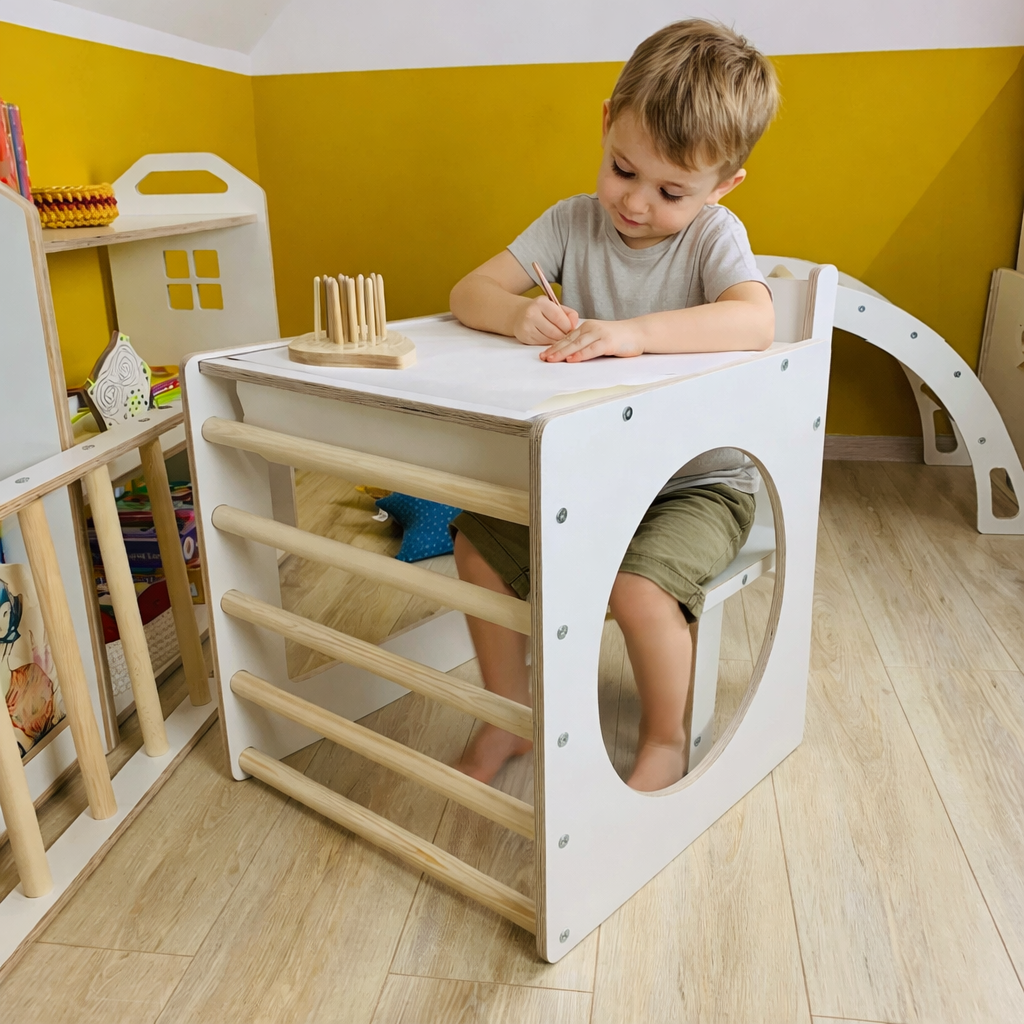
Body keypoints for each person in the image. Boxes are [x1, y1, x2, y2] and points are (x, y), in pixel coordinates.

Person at [448, 19, 779, 792]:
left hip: (697, 487)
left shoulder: (713, 237)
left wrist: (635, 333)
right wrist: (516, 314)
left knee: (637, 587)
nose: (635, 202)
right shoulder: (571, 222)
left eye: (671, 192)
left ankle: (665, 737)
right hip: (593, 472)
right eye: (623, 169)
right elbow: (469, 292)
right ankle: (509, 716)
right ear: (605, 125)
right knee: (477, 546)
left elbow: (755, 321)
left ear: (722, 186)